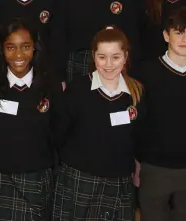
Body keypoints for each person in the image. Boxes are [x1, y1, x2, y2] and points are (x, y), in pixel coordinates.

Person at [52, 26, 145, 221]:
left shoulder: (137, 93)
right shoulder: (77, 90)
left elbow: (140, 138)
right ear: (94, 57)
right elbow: (59, 133)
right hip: (80, 180)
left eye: (116, 57)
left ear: (126, 56)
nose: (109, 64)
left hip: (119, 181)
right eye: (102, 57)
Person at [136, 8, 186, 221]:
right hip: (154, 167)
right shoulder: (146, 72)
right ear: (166, 35)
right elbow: (137, 120)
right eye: (178, 32)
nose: (185, 38)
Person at [0, 18, 58, 221]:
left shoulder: (50, 85)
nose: (18, 55)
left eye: (25, 47)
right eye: (10, 48)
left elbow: (58, 132)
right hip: (0, 178)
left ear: (35, 48)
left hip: (37, 178)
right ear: (2, 50)